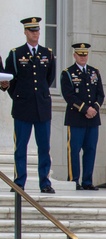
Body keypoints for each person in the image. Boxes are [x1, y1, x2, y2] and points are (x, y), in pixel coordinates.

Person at [5, 17, 57, 193]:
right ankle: (19, 182)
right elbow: (10, 79)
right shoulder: (15, 53)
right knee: (21, 146)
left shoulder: (47, 53)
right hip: (23, 107)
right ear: (26, 32)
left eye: (37, 30)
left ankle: (45, 182)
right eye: (32, 31)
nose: (35, 33)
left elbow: (49, 78)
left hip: (41, 106)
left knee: (44, 147)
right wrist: (19, 96)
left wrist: (39, 94)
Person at [60, 43, 104, 191]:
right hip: (76, 117)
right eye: (80, 55)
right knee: (74, 149)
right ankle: (74, 180)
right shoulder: (68, 73)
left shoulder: (94, 72)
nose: (83, 57)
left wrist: (95, 109)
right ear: (75, 56)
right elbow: (69, 96)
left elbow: (100, 94)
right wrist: (85, 109)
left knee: (90, 149)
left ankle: (87, 181)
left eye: (85, 54)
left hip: (93, 118)